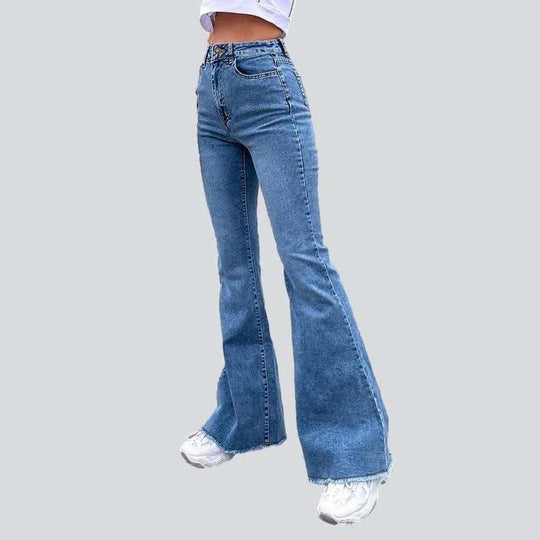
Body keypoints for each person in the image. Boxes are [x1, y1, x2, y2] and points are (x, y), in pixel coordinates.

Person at [180, 2, 394, 525]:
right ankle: (244, 420)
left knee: (305, 265)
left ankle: (354, 457)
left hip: (266, 80)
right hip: (210, 84)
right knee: (234, 268)